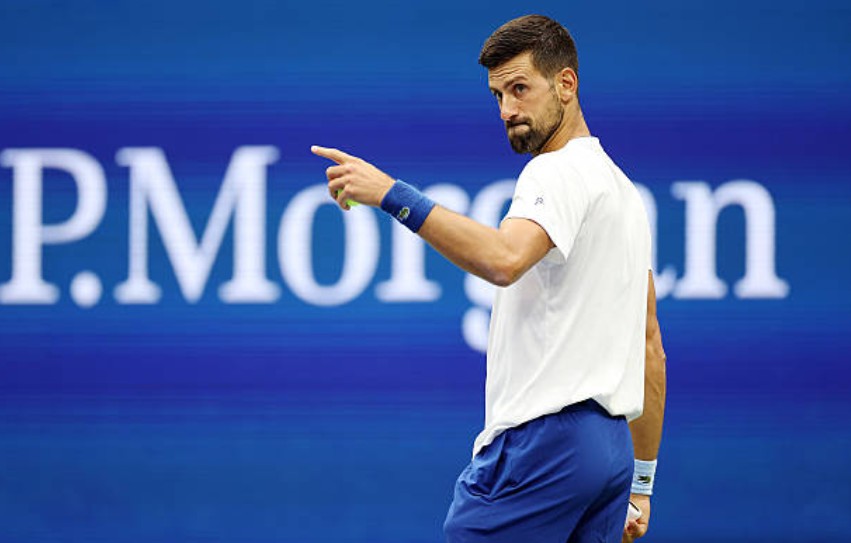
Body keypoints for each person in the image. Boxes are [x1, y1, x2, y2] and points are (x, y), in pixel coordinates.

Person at [312, 14, 666, 543]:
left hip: (544, 446)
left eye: (520, 89)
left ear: (566, 85)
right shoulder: (623, 195)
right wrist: (640, 482)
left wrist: (390, 193)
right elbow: (650, 347)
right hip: (607, 458)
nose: (508, 110)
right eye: (498, 95)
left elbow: (505, 259)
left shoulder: (556, 170)